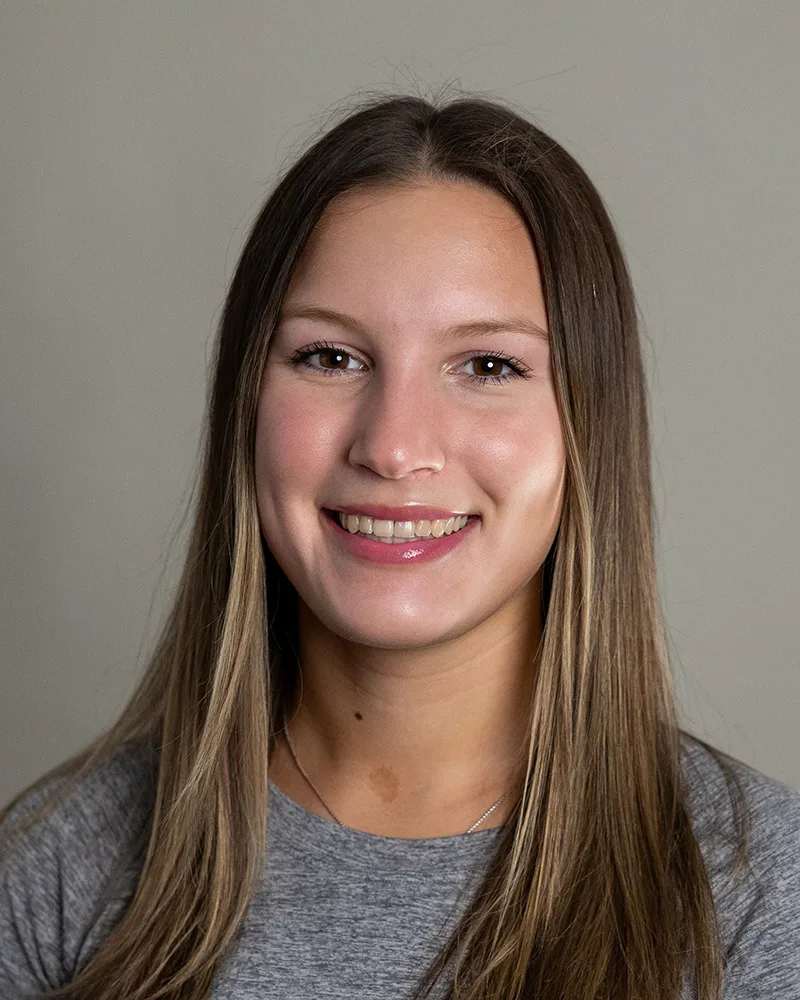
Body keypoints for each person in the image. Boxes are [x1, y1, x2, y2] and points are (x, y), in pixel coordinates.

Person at [1, 91, 798, 1000]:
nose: (393, 445)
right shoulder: (55, 874)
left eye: (489, 366)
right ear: (245, 406)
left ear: (590, 429)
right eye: (330, 357)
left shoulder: (757, 895)